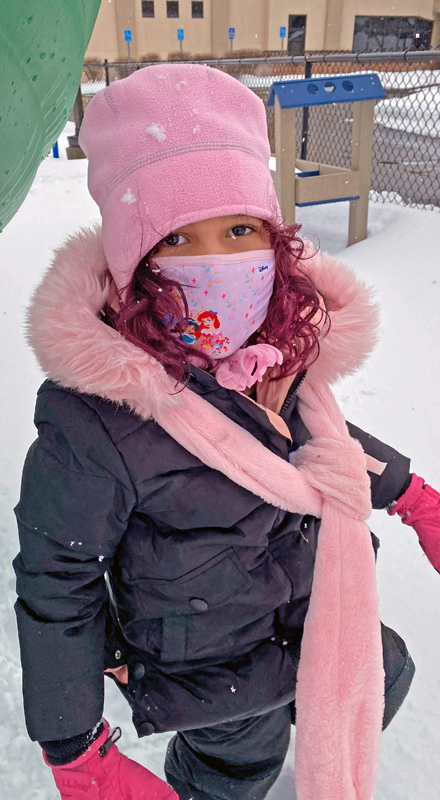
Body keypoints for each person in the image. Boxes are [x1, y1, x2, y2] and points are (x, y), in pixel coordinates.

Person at [13, 64, 440, 800]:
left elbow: (320, 443)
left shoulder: (275, 353)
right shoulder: (95, 418)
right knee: (235, 768)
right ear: (132, 264)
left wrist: (410, 495)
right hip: (210, 665)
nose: (217, 260)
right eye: (179, 236)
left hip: (315, 610)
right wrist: (72, 743)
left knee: (381, 678)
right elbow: (60, 580)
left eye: (240, 228)